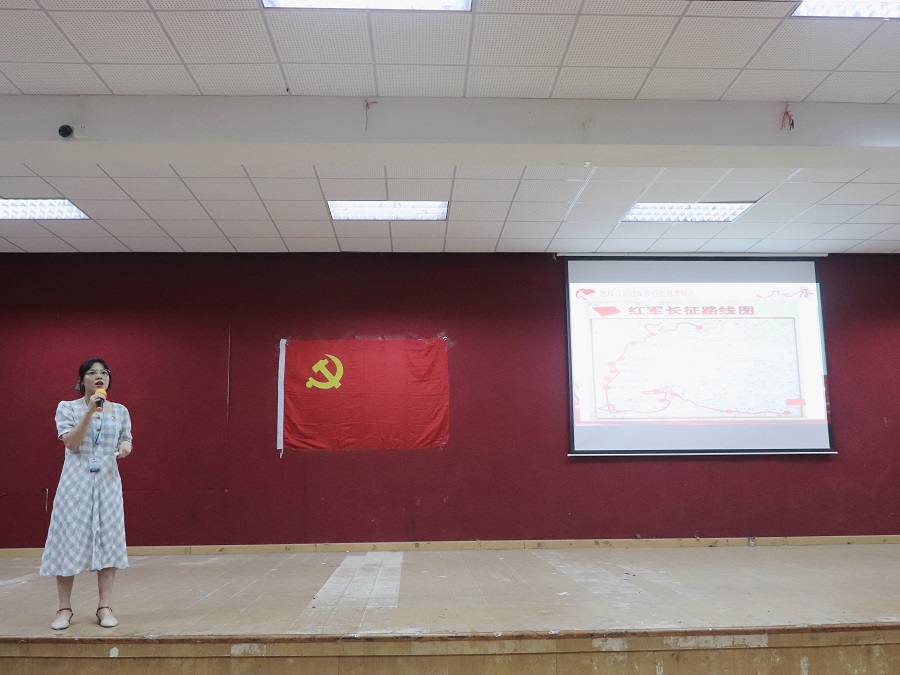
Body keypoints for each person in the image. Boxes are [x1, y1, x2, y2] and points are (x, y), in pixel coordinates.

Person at [40, 358, 133, 630]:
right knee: (67, 540)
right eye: (92, 373)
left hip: (107, 483)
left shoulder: (120, 411)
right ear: (82, 381)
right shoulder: (67, 408)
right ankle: (64, 609)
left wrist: (125, 447)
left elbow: (126, 438)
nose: (99, 376)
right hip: (75, 484)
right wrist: (90, 411)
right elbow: (71, 443)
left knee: (108, 541)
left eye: (104, 372)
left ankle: (104, 606)